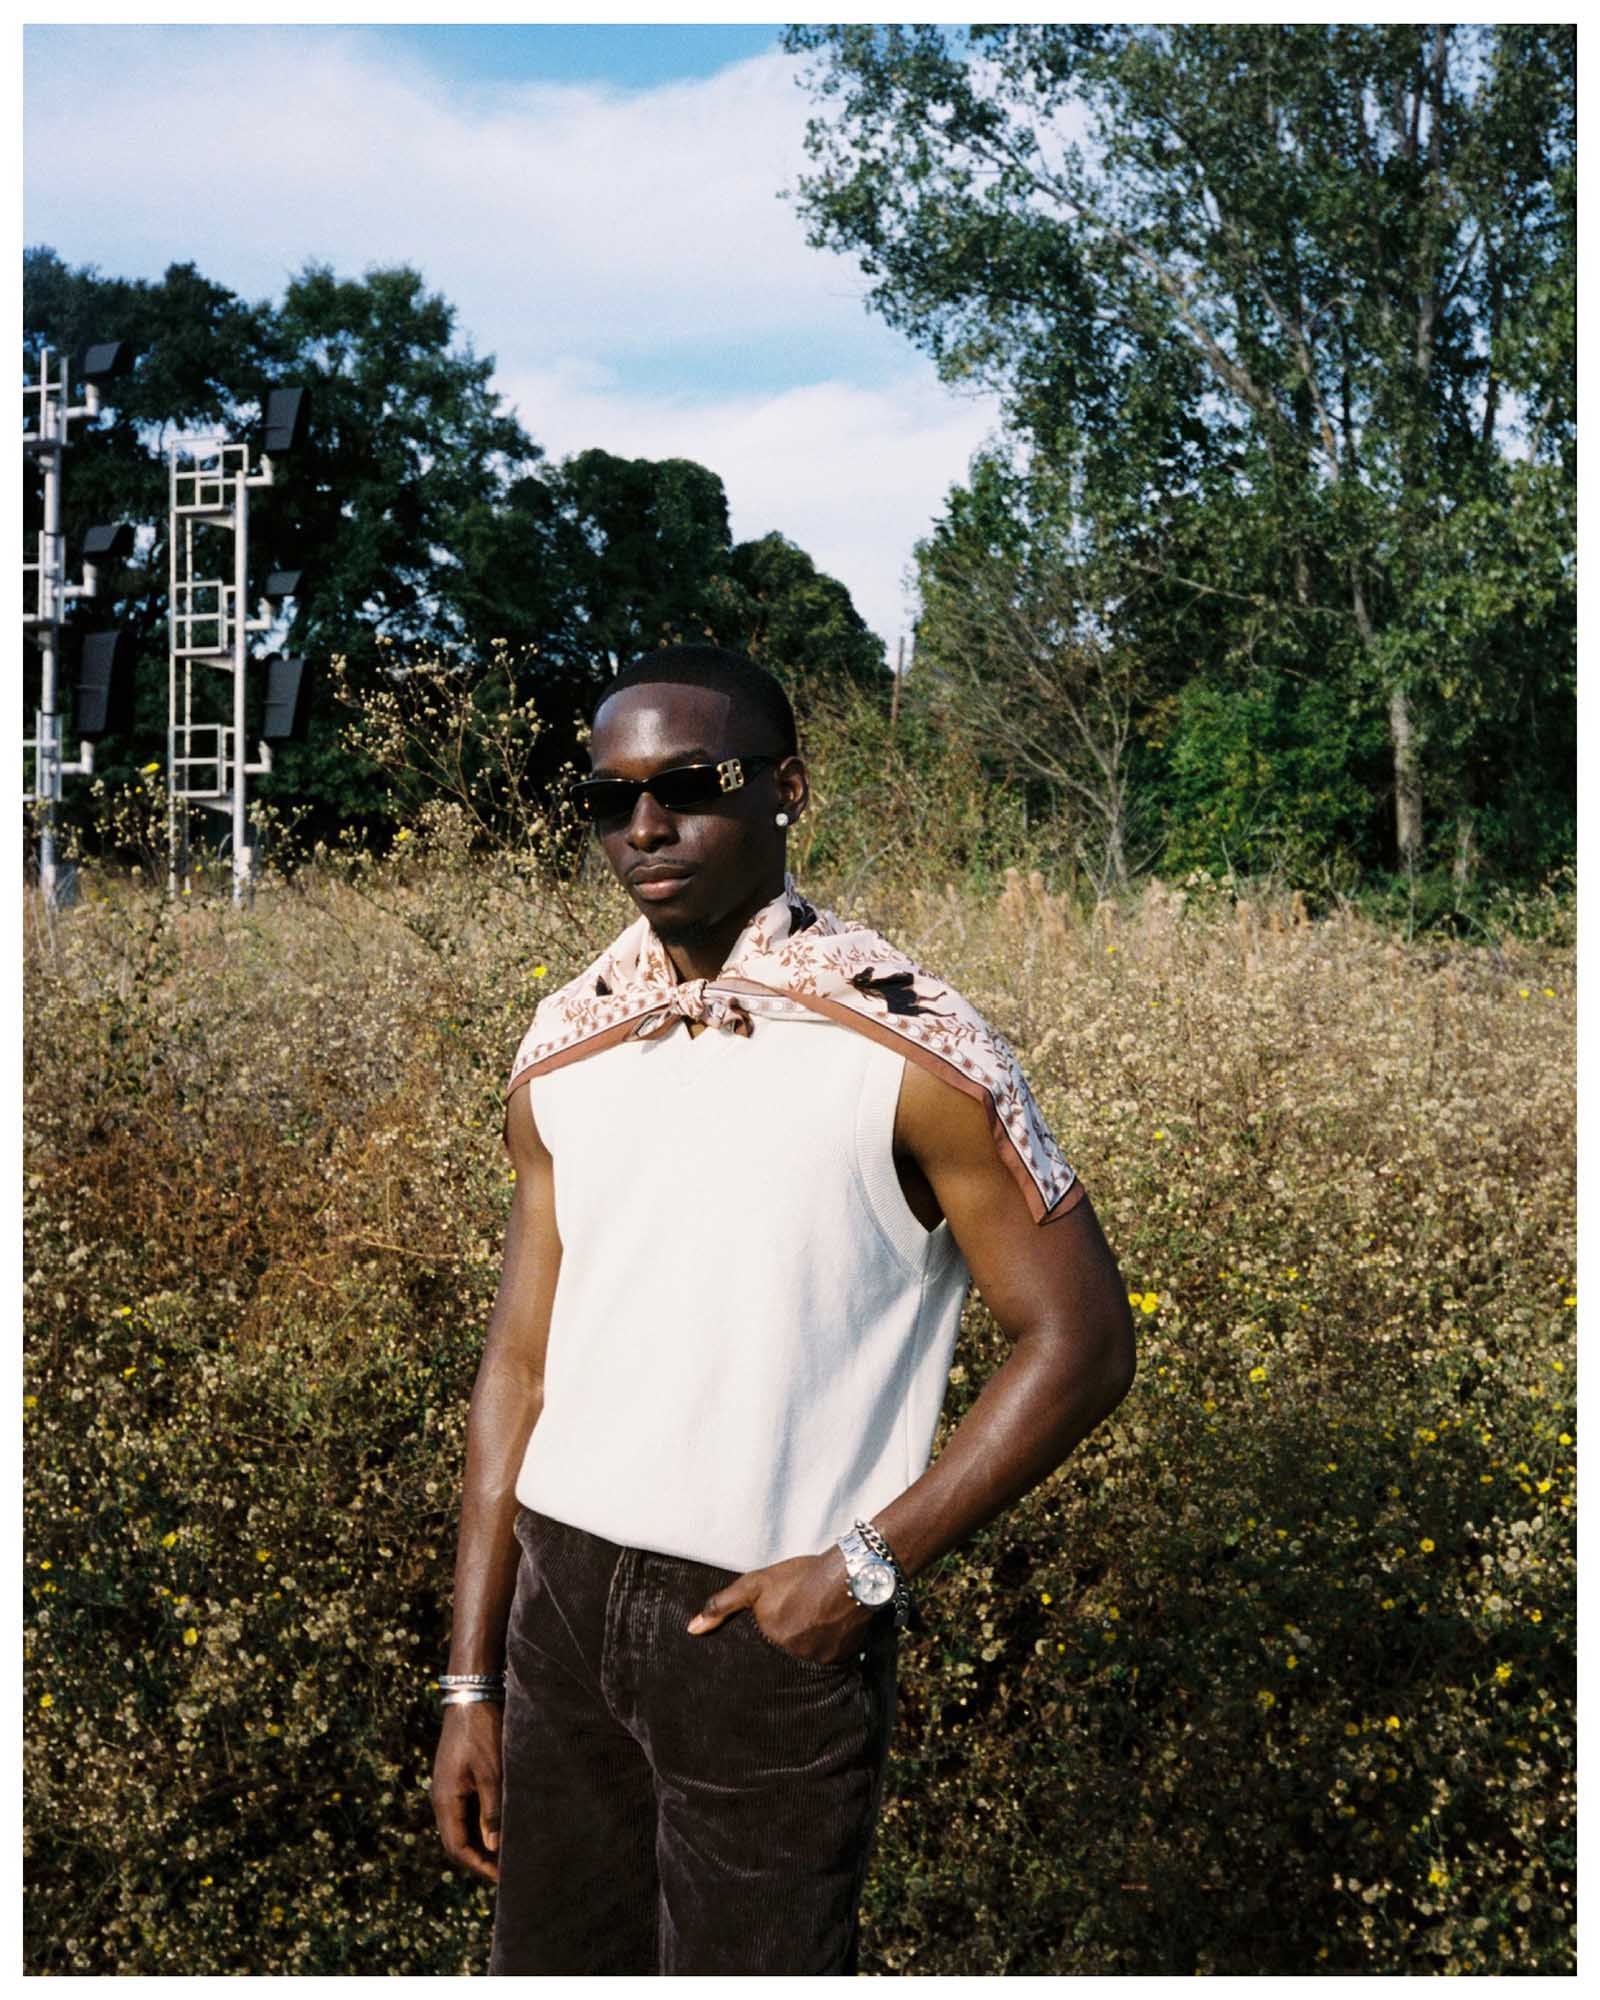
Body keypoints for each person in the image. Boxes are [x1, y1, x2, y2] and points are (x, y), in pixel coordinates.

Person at [431, 644, 1137, 1976]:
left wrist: (862, 1572)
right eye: (610, 797)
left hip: (764, 1628)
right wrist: (473, 1679)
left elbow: (1085, 1343)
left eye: (691, 785)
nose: (646, 826)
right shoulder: (564, 1044)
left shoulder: (917, 1045)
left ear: (786, 788)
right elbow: (518, 1367)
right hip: (559, 1608)